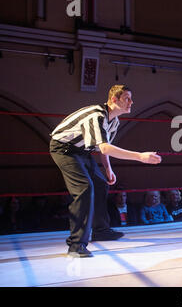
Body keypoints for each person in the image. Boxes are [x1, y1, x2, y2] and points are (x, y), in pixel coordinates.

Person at [49, 84, 162, 257]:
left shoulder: (114, 121)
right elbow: (104, 148)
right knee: (84, 189)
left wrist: (108, 169)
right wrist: (140, 156)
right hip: (63, 148)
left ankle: (100, 230)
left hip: (81, 151)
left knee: (101, 184)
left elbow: (105, 146)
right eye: (127, 98)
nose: (131, 102)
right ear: (114, 100)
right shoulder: (97, 115)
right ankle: (76, 244)